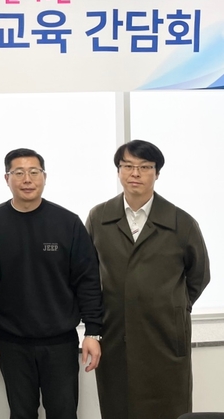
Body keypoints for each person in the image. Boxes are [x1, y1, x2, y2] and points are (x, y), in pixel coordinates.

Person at [0, 148, 103, 419]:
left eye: (34, 172)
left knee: (64, 413)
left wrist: (93, 331)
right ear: (6, 178)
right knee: (21, 414)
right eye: (18, 173)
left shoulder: (68, 223)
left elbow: (88, 279)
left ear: (44, 177)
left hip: (60, 341)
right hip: (11, 340)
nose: (27, 179)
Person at [86, 140, 210, 419]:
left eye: (144, 167)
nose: (135, 173)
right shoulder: (99, 218)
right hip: (115, 331)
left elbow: (199, 275)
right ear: (118, 171)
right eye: (127, 166)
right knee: (118, 404)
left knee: (169, 406)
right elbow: (88, 275)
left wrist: (173, 306)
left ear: (157, 172)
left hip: (165, 332)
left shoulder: (181, 222)